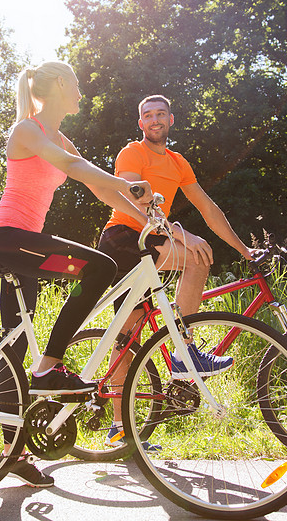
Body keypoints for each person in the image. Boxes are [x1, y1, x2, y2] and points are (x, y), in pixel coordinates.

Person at [0, 61, 152, 487]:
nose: (80, 91)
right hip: (7, 238)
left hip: (23, 247)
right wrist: (127, 185)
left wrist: (145, 218)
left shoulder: (59, 136)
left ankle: (11, 452)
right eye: (76, 83)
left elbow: (97, 186)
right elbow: (73, 169)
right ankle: (49, 368)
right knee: (100, 266)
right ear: (59, 84)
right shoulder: (27, 131)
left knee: (13, 342)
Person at [97, 94, 255, 449]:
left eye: (160, 114)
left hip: (152, 238)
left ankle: (118, 430)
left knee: (128, 336)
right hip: (125, 237)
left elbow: (209, 208)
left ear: (171, 120)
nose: (154, 120)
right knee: (197, 258)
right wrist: (182, 233)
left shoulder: (178, 161)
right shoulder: (132, 153)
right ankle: (184, 354)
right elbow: (136, 197)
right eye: (147, 115)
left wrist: (244, 249)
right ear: (141, 124)